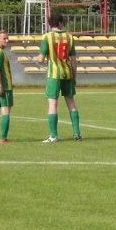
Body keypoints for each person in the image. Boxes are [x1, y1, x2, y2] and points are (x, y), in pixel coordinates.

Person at [35, 13, 81, 142]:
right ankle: (77, 133)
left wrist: (37, 58)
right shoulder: (70, 37)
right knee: (71, 103)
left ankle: (53, 136)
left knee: (52, 104)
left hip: (53, 75)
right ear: (60, 23)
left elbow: (40, 59)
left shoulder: (47, 37)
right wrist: (74, 76)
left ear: (50, 24)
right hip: (67, 74)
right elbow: (73, 60)